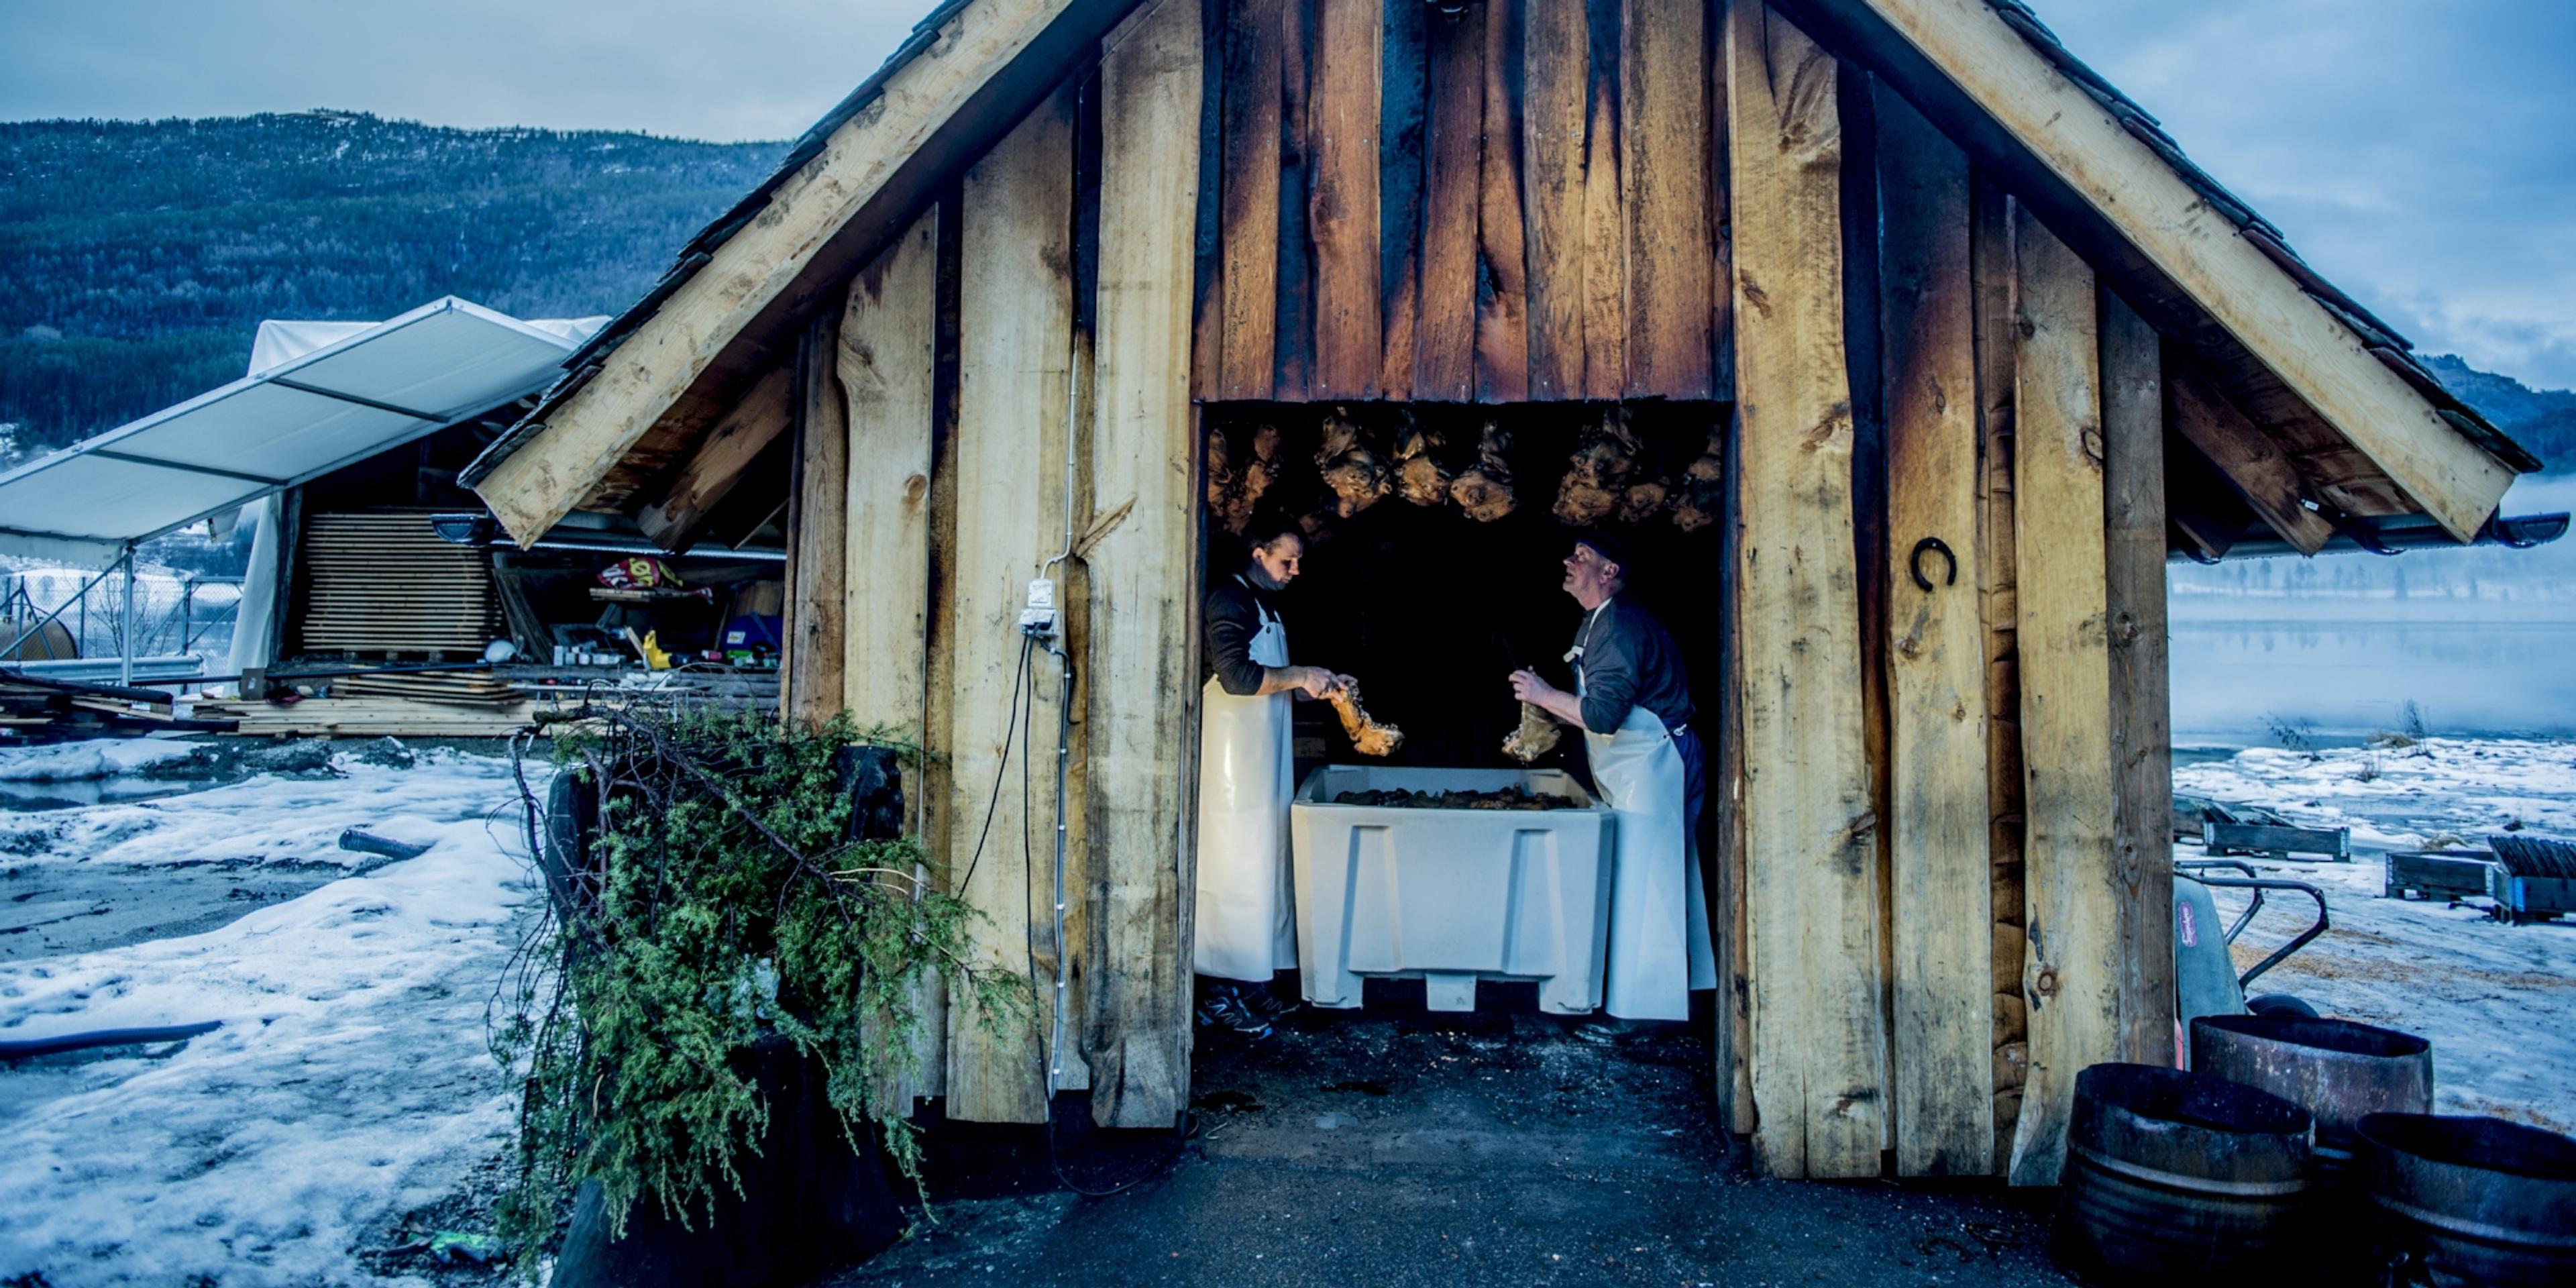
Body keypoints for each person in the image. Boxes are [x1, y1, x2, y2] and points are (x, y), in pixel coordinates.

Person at [1508, 531, 1716, 1021]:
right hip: (1637, 768)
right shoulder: (1598, 622)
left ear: (1609, 572)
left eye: (1583, 557)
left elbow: (1603, 716)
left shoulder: (1620, 625)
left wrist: (1541, 694)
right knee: (1647, 881)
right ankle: (1647, 1003)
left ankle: (1648, 1014)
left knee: (1653, 884)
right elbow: (1597, 709)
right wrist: (1551, 713)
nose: (1569, 561)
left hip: (1657, 764)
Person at [1195, 513, 1352, 1038]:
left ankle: (1250, 981)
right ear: (1258, 553)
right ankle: (1217, 990)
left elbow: (1274, 678)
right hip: (1228, 768)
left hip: (1261, 761)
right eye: (1288, 560)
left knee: (1262, 866)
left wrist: (1313, 682)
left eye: (1299, 561)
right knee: (1230, 869)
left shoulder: (1265, 605)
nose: (1295, 570)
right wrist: (1299, 675)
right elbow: (1237, 679)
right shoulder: (1228, 600)